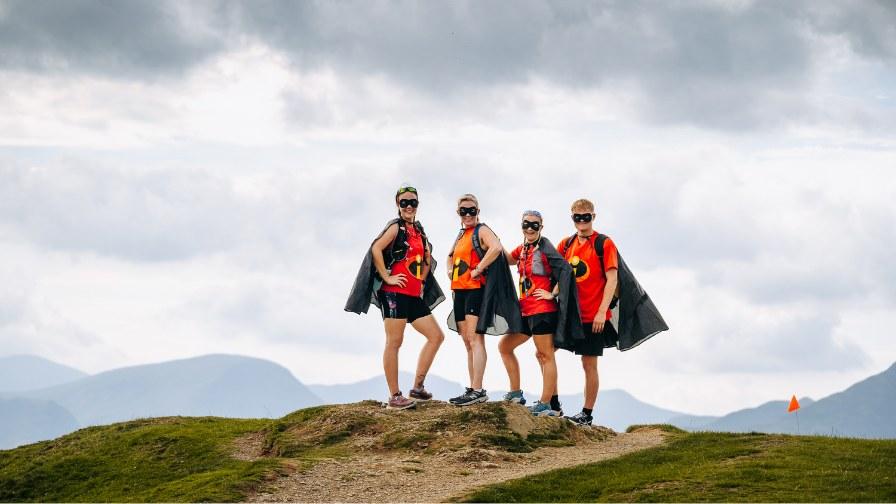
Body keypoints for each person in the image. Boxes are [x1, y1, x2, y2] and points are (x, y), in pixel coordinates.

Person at [345, 185, 446, 410]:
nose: (409, 206)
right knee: (395, 341)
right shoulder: (395, 227)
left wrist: (422, 281)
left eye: (413, 202)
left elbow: (426, 259)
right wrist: (387, 277)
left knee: (436, 336)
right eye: (404, 202)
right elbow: (376, 248)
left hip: (412, 294)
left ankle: (417, 387)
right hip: (393, 294)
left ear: (418, 205)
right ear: (398, 205)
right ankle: (395, 396)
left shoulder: (418, 230)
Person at [498, 210, 583, 416]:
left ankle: (547, 404)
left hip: (543, 310)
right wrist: (493, 241)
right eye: (526, 224)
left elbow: (565, 270)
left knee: (545, 355)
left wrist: (552, 293)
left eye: (534, 225)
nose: (530, 228)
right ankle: (516, 393)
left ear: (541, 227)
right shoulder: (524, 248)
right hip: (526, 311)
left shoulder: (545, 246)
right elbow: (509, 259)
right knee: (505, 346)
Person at [445, 194, 524, 407]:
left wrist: (479, 268)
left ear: (478, 211)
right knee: (467, 341)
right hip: (459, 291)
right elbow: (450, 255)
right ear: (458, 213)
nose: (468, 214)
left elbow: (496, 247)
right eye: (464, 211)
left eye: (472, 210)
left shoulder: (482, 230)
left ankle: (478, 389)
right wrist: (449, 269)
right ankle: (472, 388)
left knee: (475, 339)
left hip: (475, 290)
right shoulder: (462, 233)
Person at [556, 198, 619, 426]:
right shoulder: (565, 244)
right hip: (570, 315)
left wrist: (602, 311)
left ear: (594, 217)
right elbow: (556, 273)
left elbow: (612, 278)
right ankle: (552, 403)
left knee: (588, 363)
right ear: (572, 217)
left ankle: (586, 414)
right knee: (544, 351)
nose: (582, 221)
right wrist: (551, 294)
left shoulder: (604, 243)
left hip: (594, 316)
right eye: (577, 217)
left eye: (586, 217)